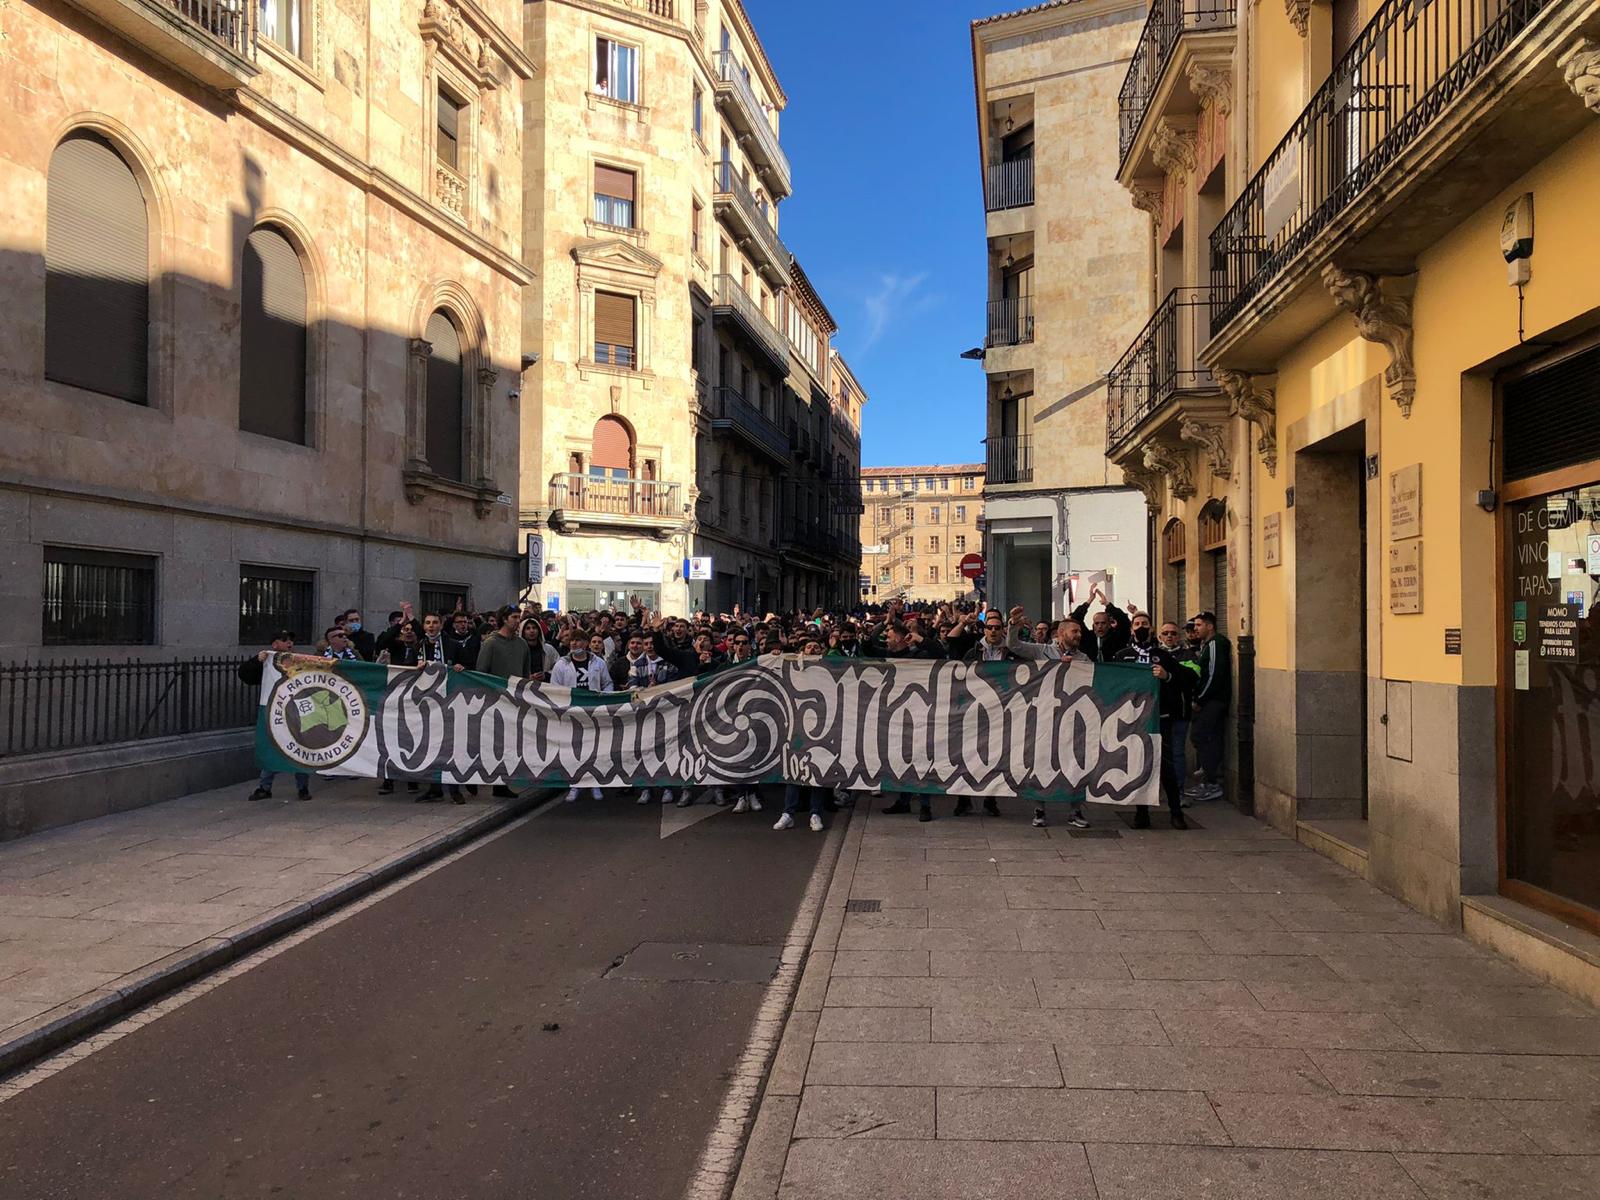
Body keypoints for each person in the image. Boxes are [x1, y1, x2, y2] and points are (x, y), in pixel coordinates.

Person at [1114, 611, 1193, 829]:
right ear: (1132, 628)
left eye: (1145, 624)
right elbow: (1114, 683)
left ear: (1151, 629)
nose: (1141, 627)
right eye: (1137, 624)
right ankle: (1142, 812)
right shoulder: (1123, 656)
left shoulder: (1164, 656)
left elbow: (1186, 680)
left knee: (1167, 766)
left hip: (1161, 718)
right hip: (1135, 720)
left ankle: (1175, 811)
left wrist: (1166, 676)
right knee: (1139, 765)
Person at [238, 632, 312, 802]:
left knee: (300, 748)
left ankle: (303, 787)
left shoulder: (299, 660)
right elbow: (245, 675)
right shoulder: (267, 661)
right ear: (275, 644)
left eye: (291, 640)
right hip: (274, 711)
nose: (290, 643)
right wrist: (256, 661)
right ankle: (265, 787)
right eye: (285, 640)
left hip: (296, 710)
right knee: (271, 747)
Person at [476, 606, 532, 797]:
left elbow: (525, 674)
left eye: (519, 617)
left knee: (510, 744)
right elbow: (481, 672)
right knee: (494, 744)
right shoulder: (491, 643)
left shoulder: (522, 644)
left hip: (515, 702)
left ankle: (503, 782)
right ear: (504, 619)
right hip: (495, 702)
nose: (518, 621)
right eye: (514, 617)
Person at [551, 629, 613, 803]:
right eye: (572, 641)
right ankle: (575, 784)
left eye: (578, 641)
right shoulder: (561, 664)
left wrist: (603, 698)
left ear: (586, 643)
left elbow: (607, 683)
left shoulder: (598, 663)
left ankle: (594, 783)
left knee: (593, 749)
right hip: (571, 713)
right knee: (574, 750)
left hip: (593, 712)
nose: (574, 644)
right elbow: (554, 688)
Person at [1188, 610, 1232, 802]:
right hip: (1208, 700)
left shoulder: (1215, 644)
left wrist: (1200, 699)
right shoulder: (1206, 645)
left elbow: (1213, 674)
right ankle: (1208, 776)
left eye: (1198, 625)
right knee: (1202, 736)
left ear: (1209, 625)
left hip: (1213, 701)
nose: (1195, 629)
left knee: (1203, 736)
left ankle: (1212, 780)